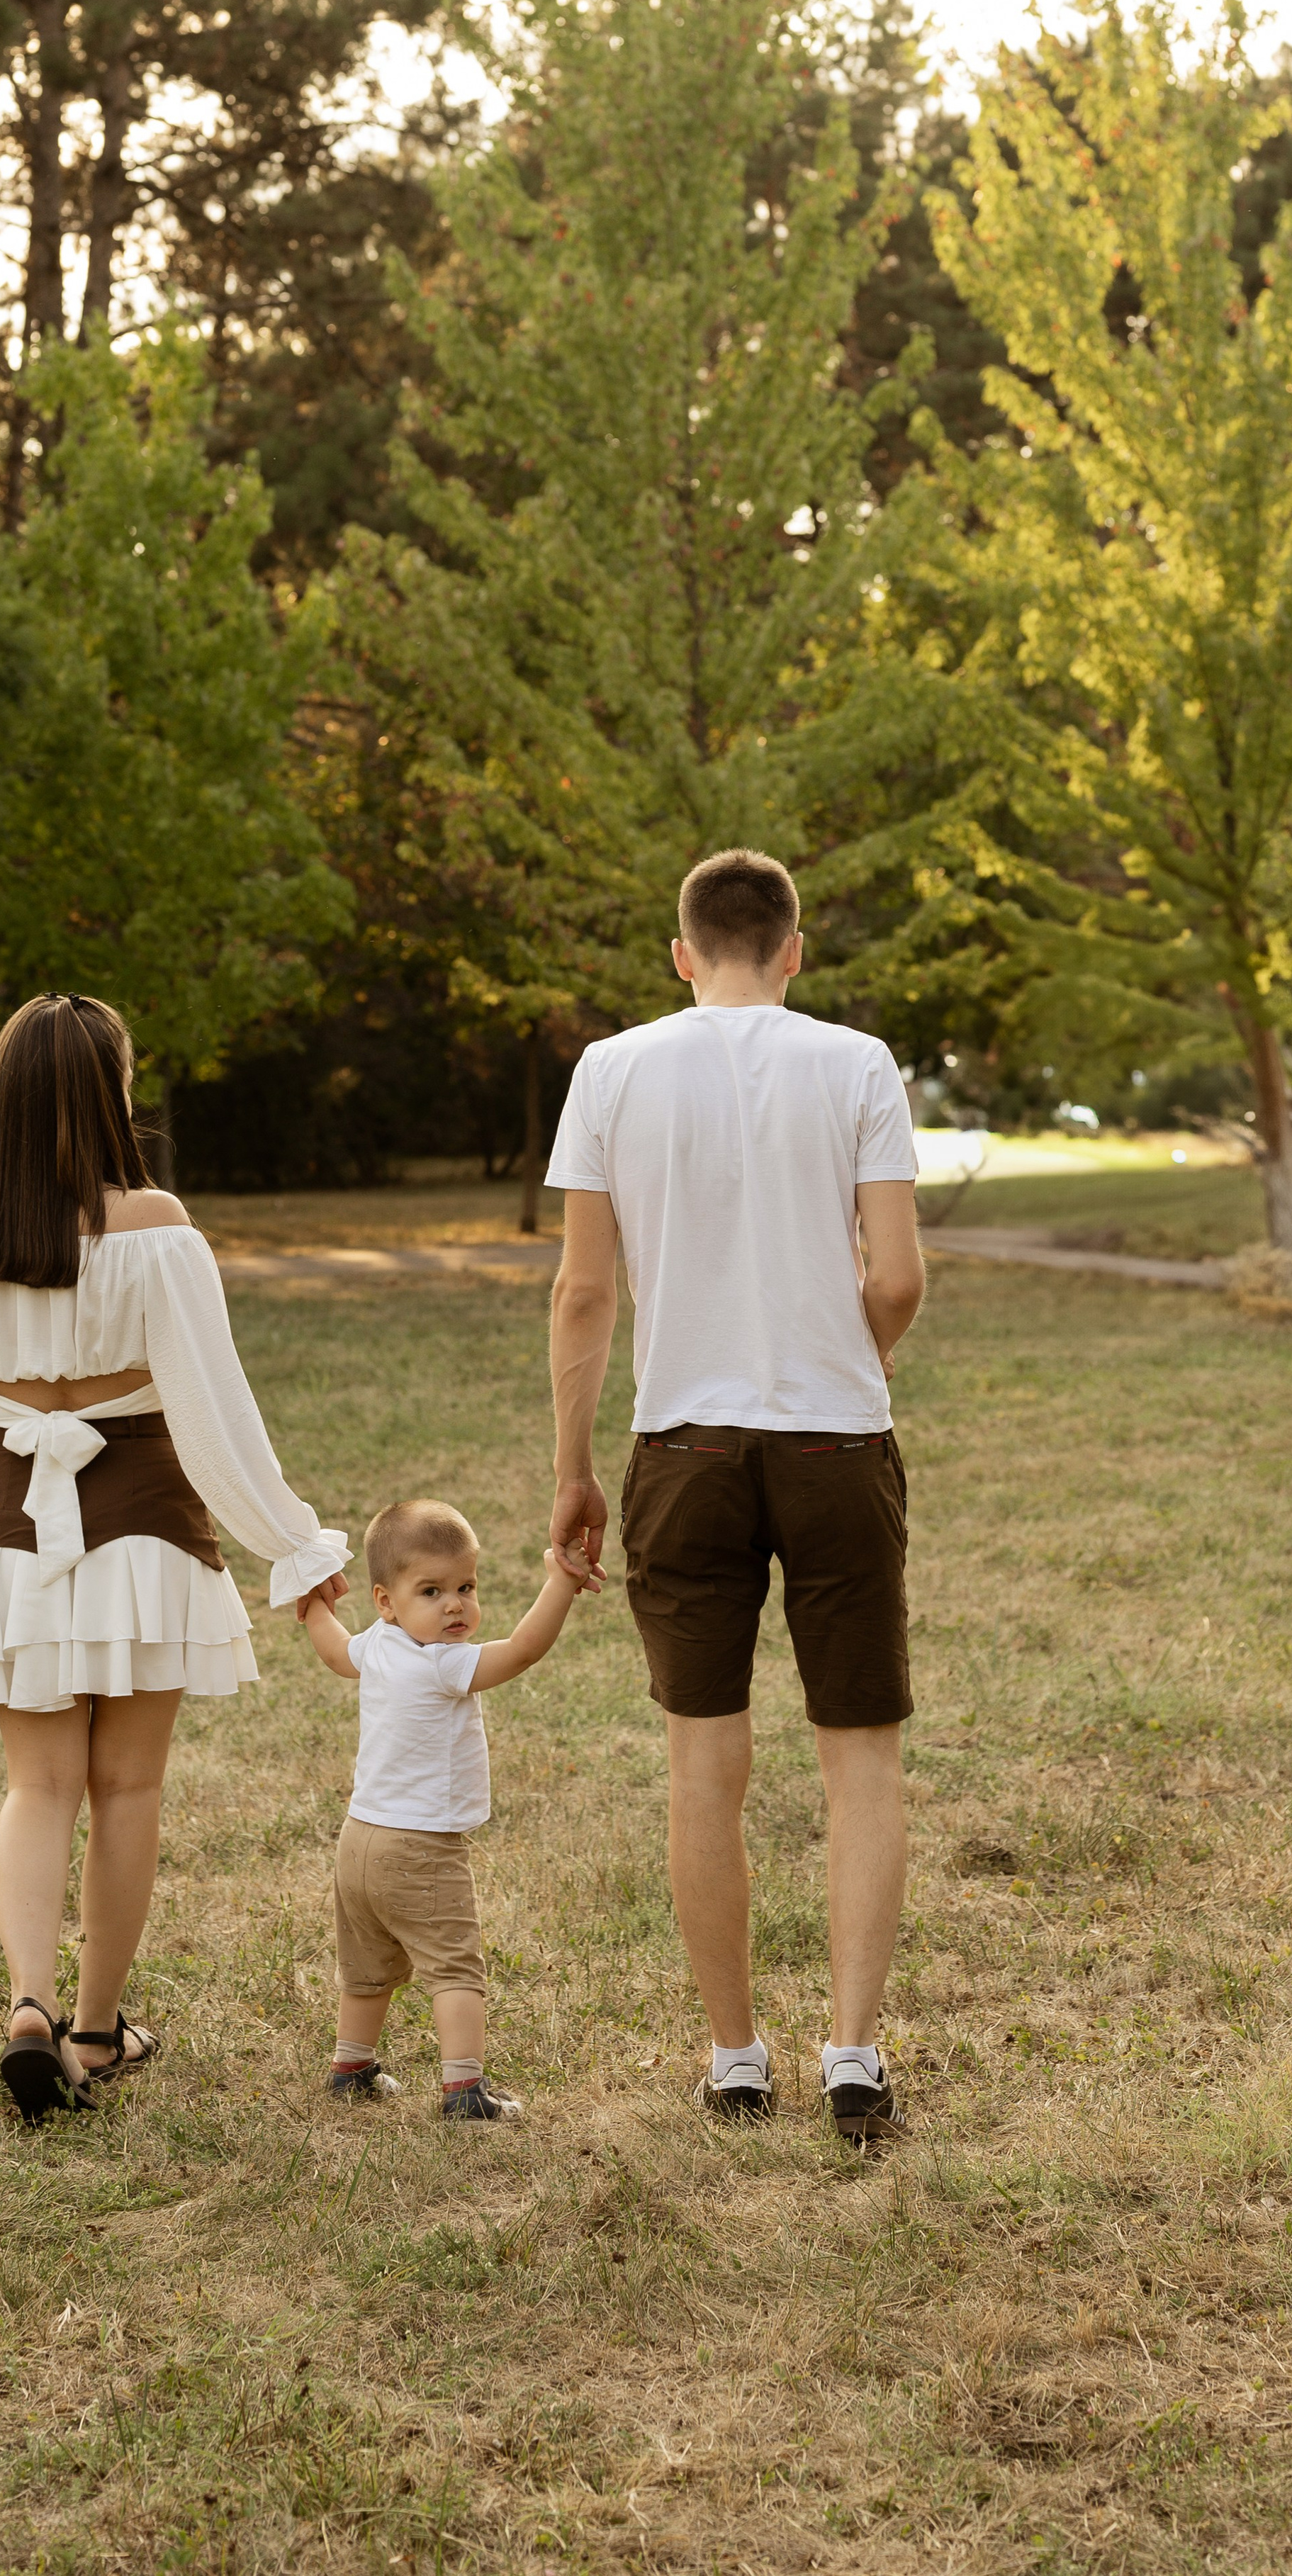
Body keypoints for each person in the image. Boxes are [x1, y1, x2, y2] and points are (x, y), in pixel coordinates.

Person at [0, 994, 349, 2125]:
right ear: (111, 1092)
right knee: (129, 1785)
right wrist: (293, 1544)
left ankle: (24, 2006)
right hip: (147, 1522)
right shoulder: (157, 1228)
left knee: (38, 1784)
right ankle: (96, 2035)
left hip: (15, 1526)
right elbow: (213, 1415)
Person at [544, 849, 925, 2145]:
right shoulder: (860, 1065)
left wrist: (574, 1466)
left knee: (706, 1757)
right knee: (859, 1753)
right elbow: (902, 1274)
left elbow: (585, 1292)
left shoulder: (613, 1068)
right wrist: (846, 1355)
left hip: (682, 1449)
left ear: (683, 950)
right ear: (796, 950)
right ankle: (857, 2051)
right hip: (835, 1443)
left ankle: (735, 2057)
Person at [300, 1499, 595, 2120]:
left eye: (465, 1587)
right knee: (455, 1967)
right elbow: (521, 1651)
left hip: (358, 1840)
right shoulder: (444, 1664)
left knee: (367, 1967)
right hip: (421, 1846)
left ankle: (351, 2067)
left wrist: (312, 1603)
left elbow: (333, 1651)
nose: (455, 1605)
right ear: (387, 1601)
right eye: (431, 1591)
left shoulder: (376, 1645)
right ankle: (464, 2091)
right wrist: (560, 1585)